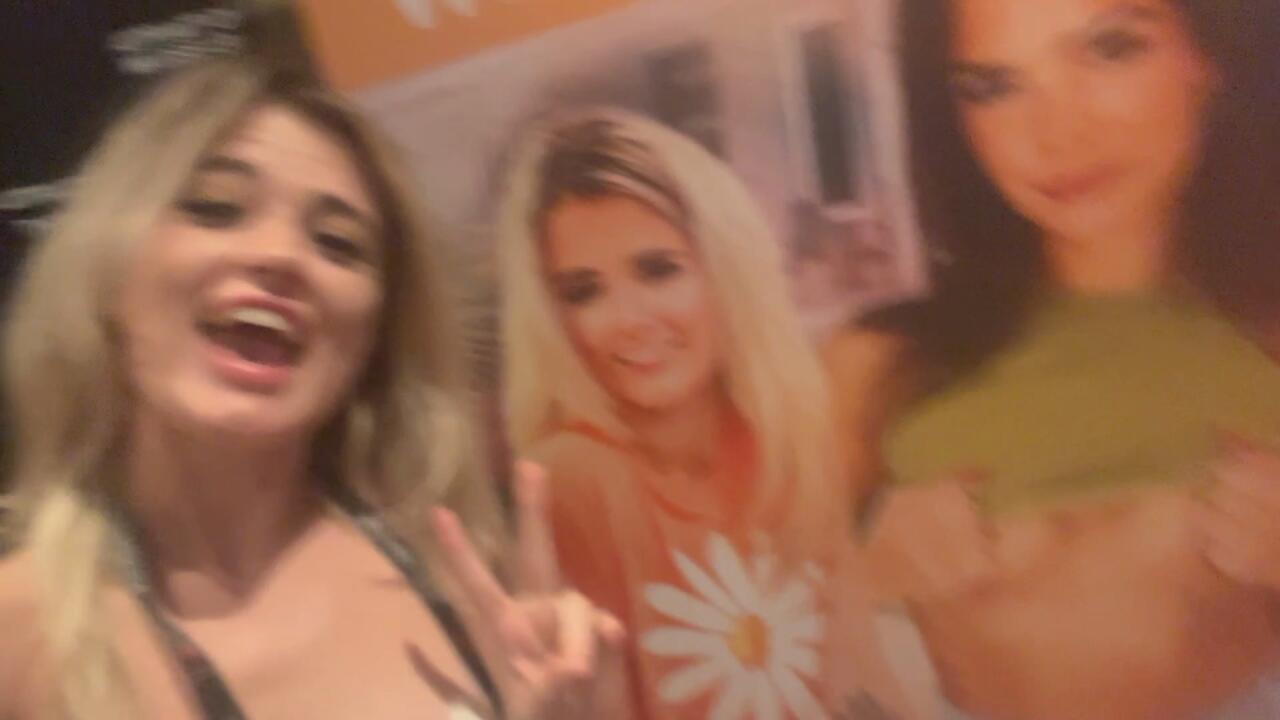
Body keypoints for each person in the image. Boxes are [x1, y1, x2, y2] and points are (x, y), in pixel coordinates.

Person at [0, 58, 628, 720]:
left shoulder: (456, 565)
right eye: (216, 208)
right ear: (109, 266)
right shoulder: (19, 635)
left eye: (338, 244)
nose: (280, 255)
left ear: (374, 336)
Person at [825, 0, 1280, 717]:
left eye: (1110, 49)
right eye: (993, 87)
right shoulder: (878, 364)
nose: (1056, 134)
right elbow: (738, 636)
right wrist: (866, 575)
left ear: (1209, 55)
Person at [497, 108, 921, 719]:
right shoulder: (576, 477)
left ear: (727, 267)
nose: (629, 320)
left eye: (658, 270)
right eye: (583, 292)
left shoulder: (784, 444)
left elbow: (864, 682)